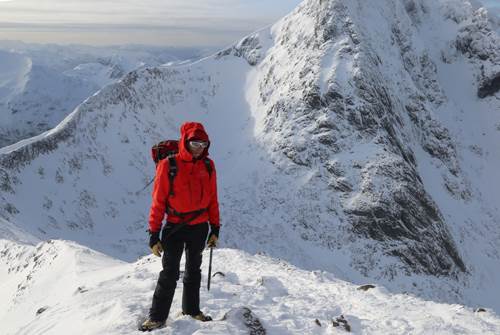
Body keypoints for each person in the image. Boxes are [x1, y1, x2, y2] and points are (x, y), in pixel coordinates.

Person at [140, 122, 220, 331]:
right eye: (195, 142)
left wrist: (215, 228)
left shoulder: (209, 166)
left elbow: (213, 199)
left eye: (203, 143)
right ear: (185, 141)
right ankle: (157, 317)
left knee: (194, 270)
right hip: (174, 226)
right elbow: (158, 202)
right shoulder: (169, 165)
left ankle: (192, 310)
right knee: (170, 273)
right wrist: (154, 234)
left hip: (200, 226)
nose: (199, 147)